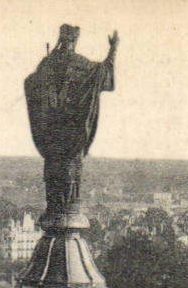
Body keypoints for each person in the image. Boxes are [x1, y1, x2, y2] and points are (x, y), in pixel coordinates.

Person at [25, 26, 119, 219]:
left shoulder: (47, 64)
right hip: (73, 134)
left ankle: (56, 205)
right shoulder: (80, 64)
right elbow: (102, 75)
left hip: (50, 135)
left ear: (60, 39)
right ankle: (68, 206)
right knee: (70, 173)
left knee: (54, 173)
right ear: (74, 41)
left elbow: (30, 82)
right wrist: (113, 50)